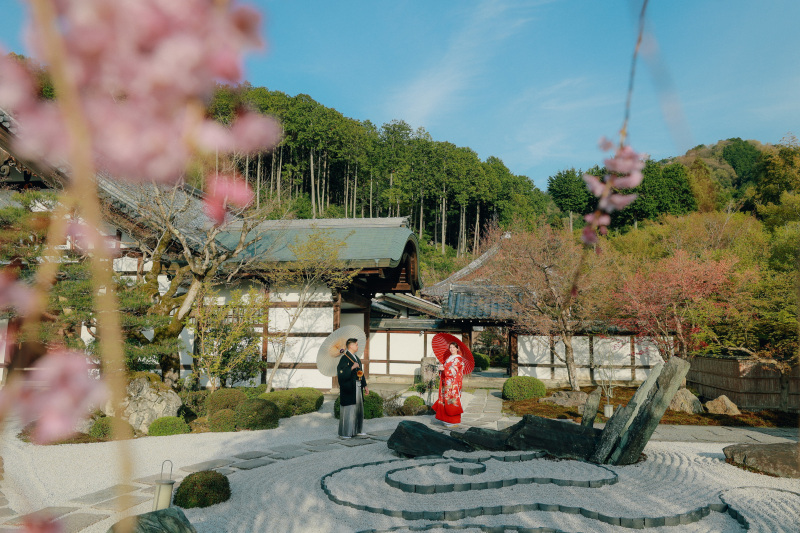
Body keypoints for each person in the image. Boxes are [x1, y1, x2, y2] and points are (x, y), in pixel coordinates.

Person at [337, 338, 369, 438]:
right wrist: (351, 367)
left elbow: (361, 373)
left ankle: (357, 430)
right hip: (349, 387)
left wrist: (365, 385)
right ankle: (345, 433)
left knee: (358, 409)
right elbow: (340, 373)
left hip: (358, 386)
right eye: (356, 345)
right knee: (349, 410)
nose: (357, 346)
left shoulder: (356, 358)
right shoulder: (344, 358)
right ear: (350, 346)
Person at [433, 342, 466, 426]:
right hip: (446, 382)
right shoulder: (449, 358)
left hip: (453, 384)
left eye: (454, 347)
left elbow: (453, 370)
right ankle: (446, 419)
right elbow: (445, 368)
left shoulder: (458, 359)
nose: (452, 349)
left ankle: (453, 421)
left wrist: (444, 368)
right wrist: (441, 368)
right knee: (445, 400)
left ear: (457, 348)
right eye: (450, 347)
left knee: (452, 401)